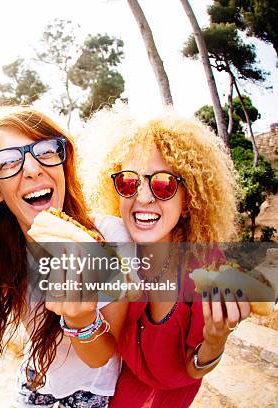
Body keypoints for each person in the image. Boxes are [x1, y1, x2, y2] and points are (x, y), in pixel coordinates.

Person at [0, 107, 130, 408]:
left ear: (63, 163)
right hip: (33, 387)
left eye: (46, 150)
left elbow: (102, 355)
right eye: (8, 161)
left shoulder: (108, 236)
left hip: (92, 393)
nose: (32, 169)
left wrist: (81, 319)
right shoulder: (1, 251)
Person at [84, 110, 250, 407]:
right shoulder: (114, 247)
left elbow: (194, 366)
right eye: (128, 182)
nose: (143, 197)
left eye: (163, 184)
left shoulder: (208, 266)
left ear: (188, 201)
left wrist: (214, 340)